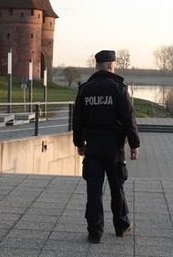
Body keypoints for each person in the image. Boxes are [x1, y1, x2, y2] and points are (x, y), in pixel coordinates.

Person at [72, 50, 140, 243]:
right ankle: (122, 226)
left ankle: (95, 232)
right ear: (112, 66)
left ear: (96, 66)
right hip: (114, 148)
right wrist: (134, 144)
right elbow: (129, 119)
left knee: (94, 191)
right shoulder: (118, 89)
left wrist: (79, 143)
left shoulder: (85, 89)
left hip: (93, 147)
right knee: (117, 187)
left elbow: (77, 120)